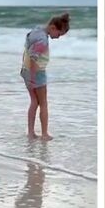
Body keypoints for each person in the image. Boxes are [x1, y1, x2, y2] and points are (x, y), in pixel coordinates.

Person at [20, 13, 70, 141]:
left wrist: (28, 75)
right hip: (36, 73)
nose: (58, 37)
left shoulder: (36, 30)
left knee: (34, 102)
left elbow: (27, 53)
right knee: (43, 103)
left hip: (25, 70)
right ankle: (44, 134)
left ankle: (31, 133)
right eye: (59, 34)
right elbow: (33, 58)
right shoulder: (42, 40)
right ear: (53, 27)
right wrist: (33, 77)